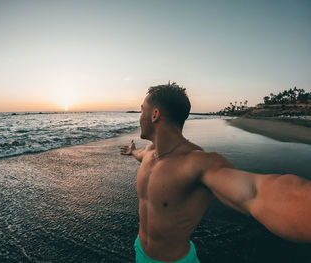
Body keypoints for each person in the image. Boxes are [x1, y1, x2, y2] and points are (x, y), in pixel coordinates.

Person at [120, 82, 311, 263]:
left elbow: (255, 192)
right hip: (140, 251)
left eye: (142, 109)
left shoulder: (198, 163)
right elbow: (140, 154)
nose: (139, 116)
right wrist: (132, 152)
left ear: (155, 114)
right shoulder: (149, 152)